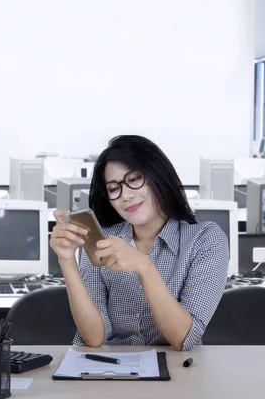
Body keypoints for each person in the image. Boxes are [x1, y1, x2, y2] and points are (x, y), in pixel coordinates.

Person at [50, 135, 229, 351]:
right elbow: (94, 337)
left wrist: (144, 267)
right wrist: (67, 260)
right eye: (114, 188)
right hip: (111, 371)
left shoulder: (205, 239)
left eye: (134, 179)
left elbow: (183, 338)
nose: (125, 195)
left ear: (158, 176)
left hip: (177, 375)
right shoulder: (103, 241)